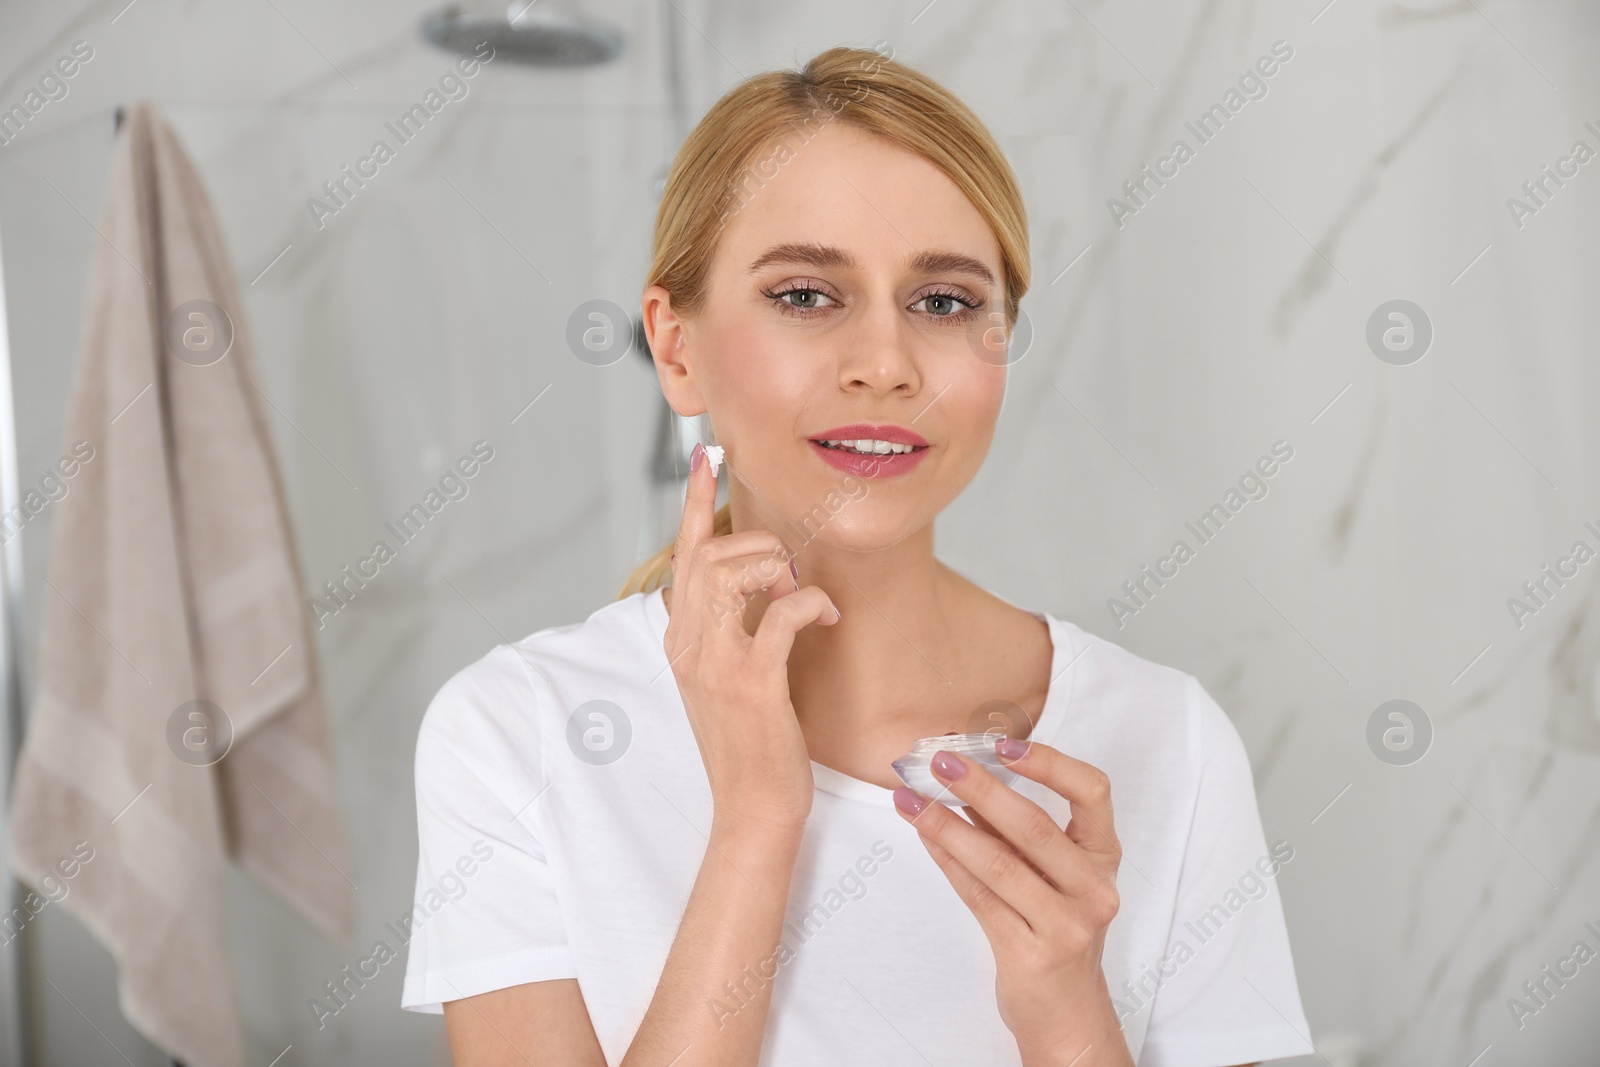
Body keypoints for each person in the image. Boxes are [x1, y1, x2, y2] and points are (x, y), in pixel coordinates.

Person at [400, 45, 1314, 1067]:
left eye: (944, 302)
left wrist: (1066, 1010)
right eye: (804, 294)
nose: (884, 365)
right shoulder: (515, 734)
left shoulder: (1164, 741)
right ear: (675, 346)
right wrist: (754, 819)